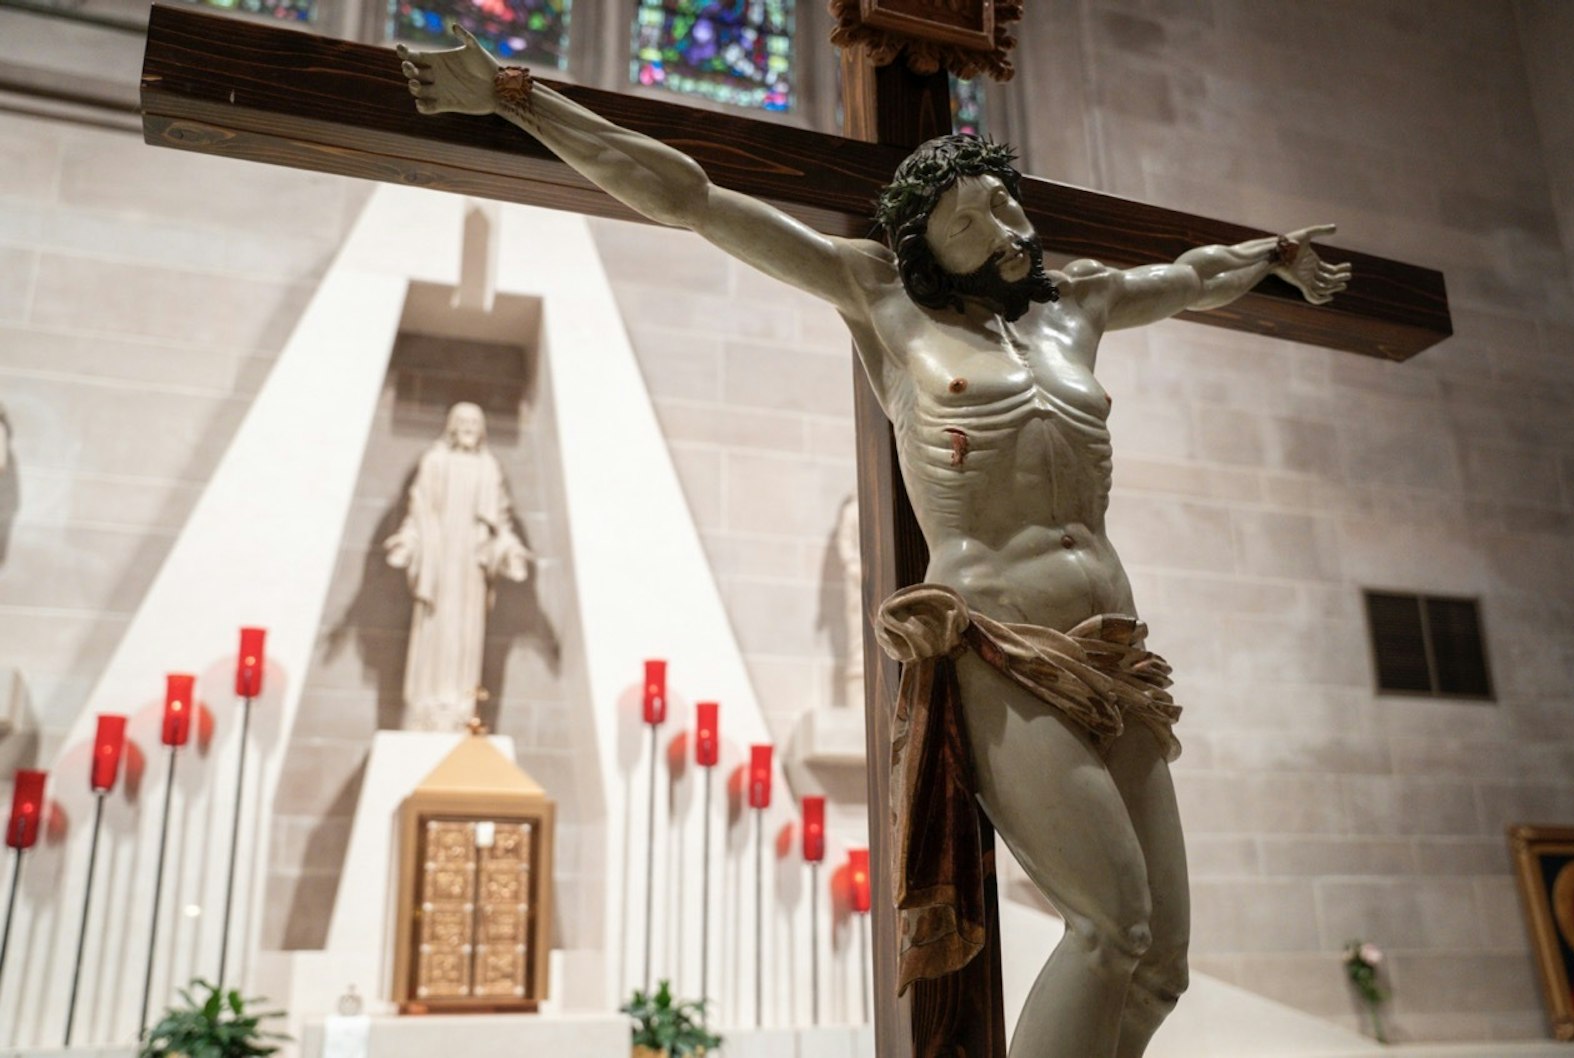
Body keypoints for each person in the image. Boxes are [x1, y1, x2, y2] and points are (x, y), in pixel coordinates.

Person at [398, 29, 1348, 1057]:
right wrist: (515, 96)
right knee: (1107, 925)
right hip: (1003, 648)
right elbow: (693, 197)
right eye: (971, 214)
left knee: (1159, 962)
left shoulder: (1080, 307)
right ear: (920, 243)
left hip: (1117, 656)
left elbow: (1196, 273)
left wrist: (1275, 261)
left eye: (1005, 199)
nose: (1006, 223)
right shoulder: (882, 302)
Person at [386, 401, 531, 732]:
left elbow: (501, 522)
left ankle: (462, 708)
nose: (468, 427)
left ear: (482, 429)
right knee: (435, 630)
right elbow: (417, 514)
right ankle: (425, 706)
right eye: (462, 421)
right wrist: (407, 545)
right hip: (438, 564)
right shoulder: (435, 462)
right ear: (451, 426)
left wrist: (510, 553)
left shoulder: (489, 468)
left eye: (474, 422)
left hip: (471, 570)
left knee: (465, 634)